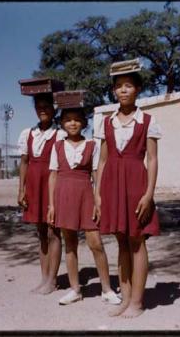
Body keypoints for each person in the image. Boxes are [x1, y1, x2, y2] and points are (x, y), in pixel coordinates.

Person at [94, 59, 161, 318]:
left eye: (129, 86)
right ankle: (124, 297)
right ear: (113, 91)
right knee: (120, 240)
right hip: (111, 183)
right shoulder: (106, 122)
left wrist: (149, 194)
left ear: (138, 89)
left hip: (136, 183)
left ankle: (137, 302)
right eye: (119, 86)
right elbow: (101, 161)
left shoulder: (147, 120)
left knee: (136, 240)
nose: (123, 90)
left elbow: (152, 159)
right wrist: (98, 195)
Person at [47, 104, 121, 306]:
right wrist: (51, 205)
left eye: (77, 119)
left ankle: (107, 289)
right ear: (62, 123)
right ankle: (75, 290)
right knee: (70, 245)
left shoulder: (92, 145)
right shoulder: (57, 146)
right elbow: (53, 175)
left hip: (85, 195)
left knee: (95, 243)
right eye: (68, 119)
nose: (73, 123)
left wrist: (98, 199)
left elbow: (97, 174)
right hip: (63, 196)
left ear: (84, 123)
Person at [17, 78, 66, 295]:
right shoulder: (28, 133)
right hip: (34, 185)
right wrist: (21, 189)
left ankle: (53, 280)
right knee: (41, 232)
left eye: (46, 107)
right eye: (39, 107)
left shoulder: (61, 133)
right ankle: (44, 277)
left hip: (52, 185)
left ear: (54, 108)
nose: (42, 111)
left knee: (53, 231)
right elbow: (25, 163)